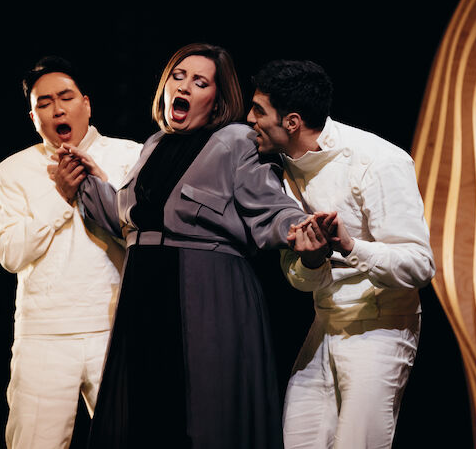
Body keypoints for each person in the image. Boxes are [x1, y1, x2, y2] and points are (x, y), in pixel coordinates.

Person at [54, 43, 331, 449]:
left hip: (207, 296)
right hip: (144, 297)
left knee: (203, 419)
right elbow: (127, 220)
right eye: (178, 76)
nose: (183, 87)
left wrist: (300, 228)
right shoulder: (153, 145)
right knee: (146, 420)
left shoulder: (236, 140)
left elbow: (272, 207)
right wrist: (81, 184)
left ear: (217, 99)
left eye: (200, 82)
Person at [247, 59, 436, 449]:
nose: (249, 119)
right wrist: (312, 259)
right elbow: (299, 278)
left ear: (292, 122)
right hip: (325, 323)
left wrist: (350, 246)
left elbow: (420, 265)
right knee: (298, 440)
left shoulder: (378, 160)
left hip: (381, 328)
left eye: (259, 111)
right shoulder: (276, 170)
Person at [0, 56, 141, 449]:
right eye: (44, 103)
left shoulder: (131, 155)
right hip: (44, 335)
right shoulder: (11, 171)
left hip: (114, 326)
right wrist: (60, 197)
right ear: (33, 117)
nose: (57, 109)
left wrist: (102, 188)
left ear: (86, 104)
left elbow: (146, 233)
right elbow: (10, 253)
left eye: (66, 97)